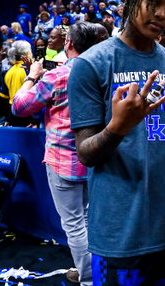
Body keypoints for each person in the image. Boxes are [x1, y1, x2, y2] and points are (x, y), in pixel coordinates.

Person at [68, 0, 165, 286]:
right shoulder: (91, 64)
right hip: (120, 234)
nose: (161, 15)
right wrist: (117, 128)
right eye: (153, 2)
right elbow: (85, 153)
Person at [12, 23, 99, 285]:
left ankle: (88, 279)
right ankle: (86, 269)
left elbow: (20, 107)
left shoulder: (58, 75)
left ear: (68, 43)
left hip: (64, 161)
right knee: (85, 219)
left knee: (73, 223)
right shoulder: (99, 72)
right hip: (94, 159)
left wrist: (32, 76)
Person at [0, 40, 38, 127]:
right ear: (27, 53)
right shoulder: (30, 71)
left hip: (13, 114)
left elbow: (3, 98)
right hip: (29, 116)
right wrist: (36, 120)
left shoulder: (8, 72)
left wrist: (7, 118)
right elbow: (38, 96)